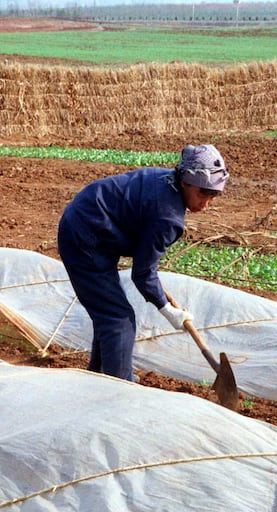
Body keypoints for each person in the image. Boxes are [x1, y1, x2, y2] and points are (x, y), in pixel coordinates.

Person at [57, 144, 229, 381]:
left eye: (213, 195)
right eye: (202, 193)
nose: (206, 203)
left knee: (108, 312)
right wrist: (167, 310)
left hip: (95, 226)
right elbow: (143, 273)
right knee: (118, 317)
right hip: (84, 236)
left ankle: (98, 376)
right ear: (185, 182)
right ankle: (120, 386)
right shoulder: (168, 217)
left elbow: (144, 256)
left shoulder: (167, 181)